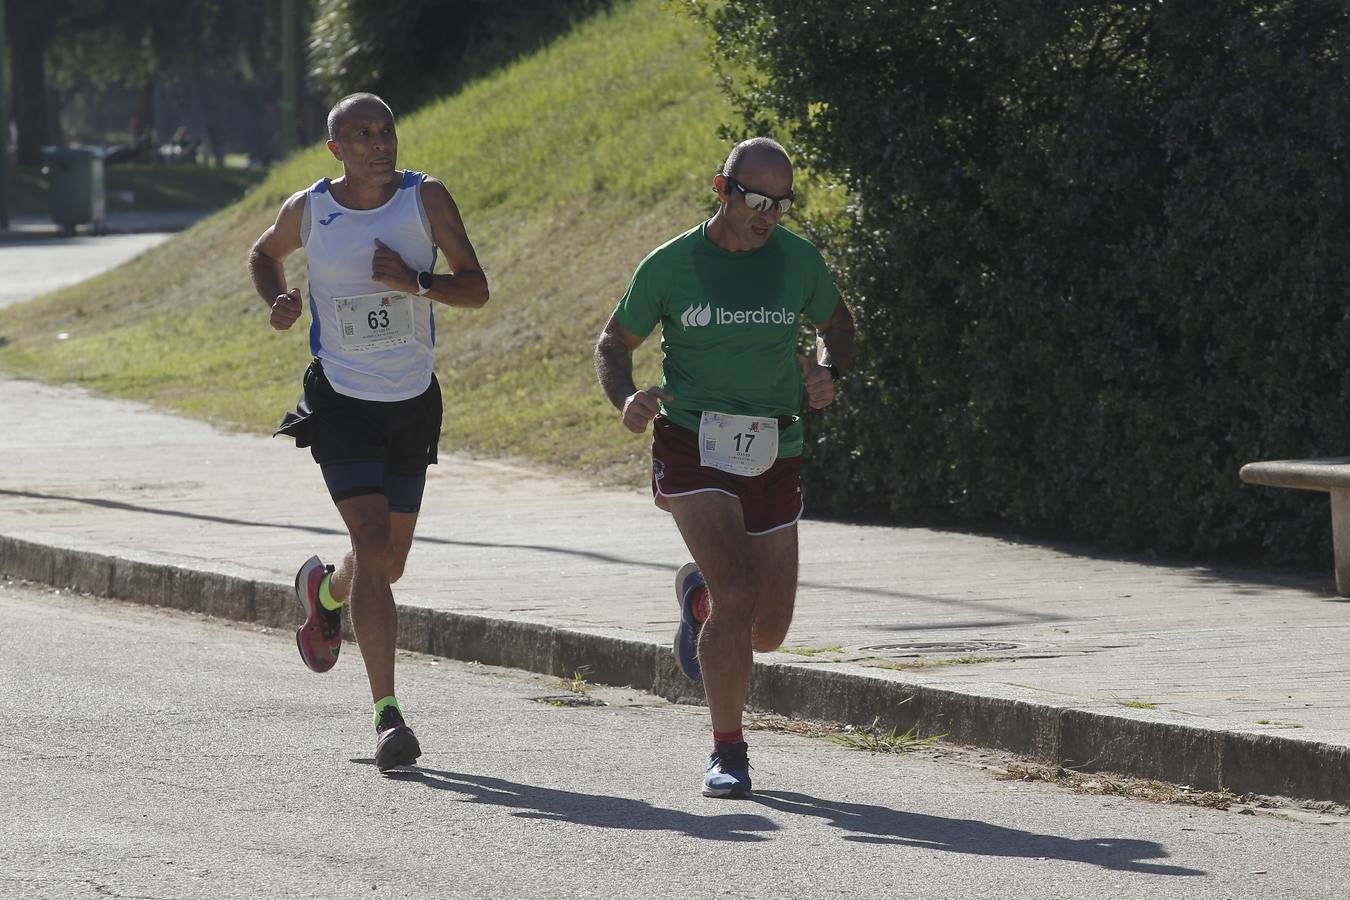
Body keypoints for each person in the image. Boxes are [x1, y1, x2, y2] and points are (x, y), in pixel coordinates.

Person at [593, 137, 856, 798]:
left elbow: (838, 323)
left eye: (781, 202)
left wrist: (826, 368)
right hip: (693, 442)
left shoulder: (796, 260)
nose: (768, 214)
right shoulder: (672, 264)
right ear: (723, 190)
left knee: (768, 630)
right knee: (740, 590)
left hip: (774, 446)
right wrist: (626, 395)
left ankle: (699, 599)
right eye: (756, 199)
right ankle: (728, 752)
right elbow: (613, 340)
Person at [247, 92, 489, 772]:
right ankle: (388, 718)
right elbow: (263, 256)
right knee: (373, 546)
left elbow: (477, 288)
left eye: (387, 130)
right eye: (364, 134)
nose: (381, 143)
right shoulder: (310, 209)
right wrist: (279, 300)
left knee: (386, 564)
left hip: (412, 400)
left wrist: (417, 281)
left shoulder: (426, 199)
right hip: (342, 400)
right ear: (336, 148)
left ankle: (323, 595)